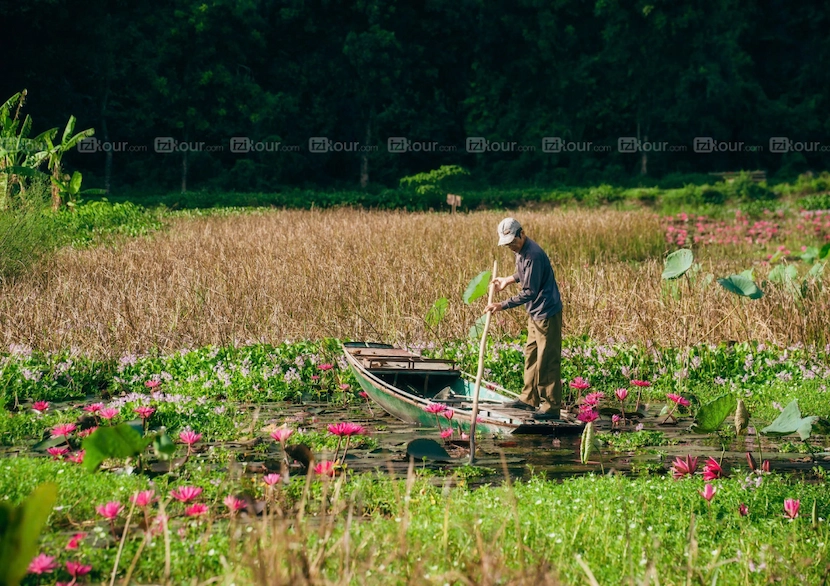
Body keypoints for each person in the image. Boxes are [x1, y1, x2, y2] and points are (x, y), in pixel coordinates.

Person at [485, 217, 563, 420]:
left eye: (513, 241)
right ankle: (529, 399)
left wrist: (501, 305)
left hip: (546, 312)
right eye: (507, 243)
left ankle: (551, 407)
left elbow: (529, 291)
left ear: (522, 233)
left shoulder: (534, 255)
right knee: (531, 355)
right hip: (534, 313)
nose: (511, 246)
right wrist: (507, 280)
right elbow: (524, 274)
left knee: (546, 360)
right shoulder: (521, 252)